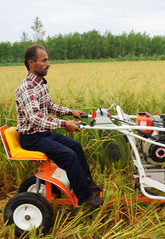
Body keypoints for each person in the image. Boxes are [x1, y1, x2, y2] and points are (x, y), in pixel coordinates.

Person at [15, 44, 104, 207]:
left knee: (75, 146)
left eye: (48, 60)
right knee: (68, 156)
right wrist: (64, 124)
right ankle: (84, 197)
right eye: (44, 60)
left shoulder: (39, 83)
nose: (48, 64)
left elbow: (50, 106)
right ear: (31, 63)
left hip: (42, 134)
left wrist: (71, 112)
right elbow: (35, 118)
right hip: (32, 138)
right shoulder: (27, 88)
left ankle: (87, 183)